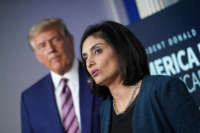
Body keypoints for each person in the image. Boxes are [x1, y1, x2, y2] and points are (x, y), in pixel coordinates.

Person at [80, 21, 200, 133]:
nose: (89, 63)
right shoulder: (105, 110)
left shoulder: (164, 89)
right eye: (85, 57)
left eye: (97, 51)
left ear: (121, 49)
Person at [21, 18, 101, 133]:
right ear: (37, 56)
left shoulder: (99, 74)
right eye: (42, 46)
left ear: (71, 41)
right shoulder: (29, 99)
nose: (50, 49)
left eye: (55, 40)